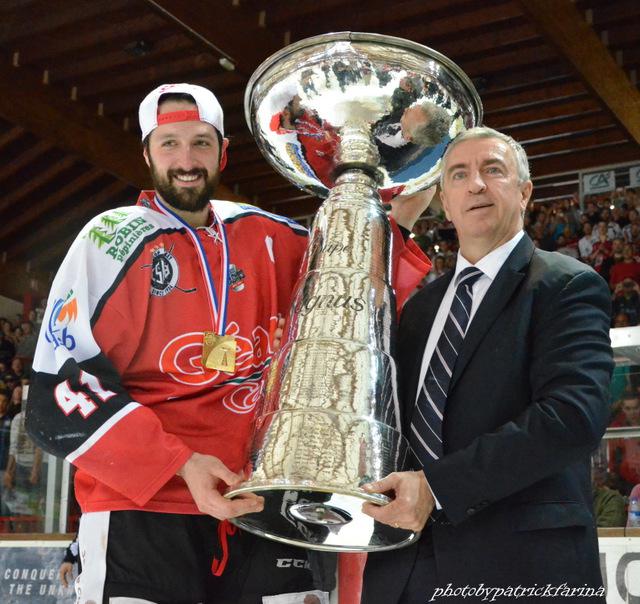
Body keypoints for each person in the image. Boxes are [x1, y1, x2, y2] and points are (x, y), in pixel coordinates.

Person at [25, 83, 431, 604]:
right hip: (145, 509)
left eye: (200, 142)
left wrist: (405, 195)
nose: (186, 160)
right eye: (169, 144)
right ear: (147, 153)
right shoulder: (109, 240)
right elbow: (58, 391)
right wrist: (180, 463)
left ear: (222, 152)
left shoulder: (271, 235)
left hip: (266, 499)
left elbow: (355, 286)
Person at [361, 126, 612, 603]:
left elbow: (572, 417)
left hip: (521, 568)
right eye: (458, 175)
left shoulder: (567, 285)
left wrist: (438, 488)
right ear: (445, 204)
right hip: (403, 569)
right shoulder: (419, 308)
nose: (475, 184)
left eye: (492, 170)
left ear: (524, 192)